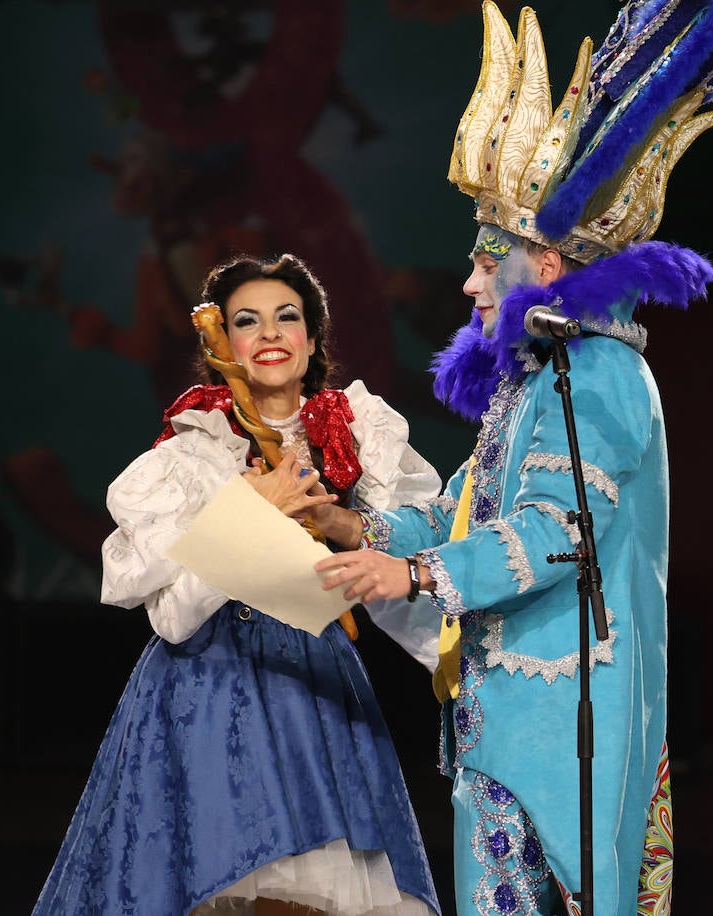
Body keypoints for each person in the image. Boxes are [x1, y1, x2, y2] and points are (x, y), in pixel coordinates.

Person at [314, 2, 713, 913]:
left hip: (569, 727)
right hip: (501, 725)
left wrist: (409, 572)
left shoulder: (597, 374)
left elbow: (559, 536)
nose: (470, 282)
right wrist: (354, 523)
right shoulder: (533, 383)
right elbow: (459, 520)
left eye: (491, 260)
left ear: (549, 269)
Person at [31, 253, 443, 915]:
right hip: (209, 691)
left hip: (317, 691)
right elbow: (173, 619)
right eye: (247, 321)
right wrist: (257, 512)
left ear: (313, 339)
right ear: (222, 343)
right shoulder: (193, 454)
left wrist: (343, 523)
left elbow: (423, 560)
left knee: (321, 896)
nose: (271, 332)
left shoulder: (358, 433)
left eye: (288, 316)